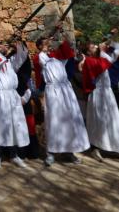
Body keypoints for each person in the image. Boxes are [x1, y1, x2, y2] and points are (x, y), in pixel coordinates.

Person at [36, 32, 89, 166]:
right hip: (53, 91)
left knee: (70, 120)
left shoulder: (57, 57)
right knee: (54, 121)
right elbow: (46, 56)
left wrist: (61, 37)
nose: (48, 46)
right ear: (40, 46)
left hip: (66, 90)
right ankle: (51, 152)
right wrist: (50, 39)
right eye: (45, 44)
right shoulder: (41, 57)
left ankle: (69, 151)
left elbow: (67, 53)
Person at [0, 36, 31, 169]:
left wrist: (19, 42)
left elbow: (22, 55)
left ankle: (14, 155)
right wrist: (3, 51)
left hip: (12, 96)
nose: (3, 47)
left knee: (14, 125)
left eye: (3, 45)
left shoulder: (10, 62)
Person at [79, 31, 119, 162]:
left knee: (112, 121)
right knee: (98, 122)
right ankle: (95, 148)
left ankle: (113, 147)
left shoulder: (103, 57)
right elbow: (101, 66)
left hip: (108, 94)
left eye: (95, 45)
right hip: (97, 94)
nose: (95, 47)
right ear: (88, 52)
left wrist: (111, 39)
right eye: (92, 46)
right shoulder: (89, 61)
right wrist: (102, 50)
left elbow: (118, 50)